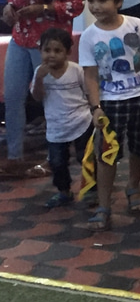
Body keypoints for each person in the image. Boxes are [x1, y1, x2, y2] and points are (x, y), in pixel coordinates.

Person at [79, 0, 140, 231]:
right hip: (110, 102)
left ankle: (134, 187)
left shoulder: (136, 25)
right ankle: (104, 205)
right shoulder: (89, 36)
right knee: (107, 154)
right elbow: (90, 75)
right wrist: (96, 107)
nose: (96, 6)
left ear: (119, 1)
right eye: (91, 0)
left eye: (102, 0)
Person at [1, 0, 84, 172]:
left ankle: (55, 155)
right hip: (20, 38)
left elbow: (77, 4)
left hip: (49, 44)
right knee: (13, 96)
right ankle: (15, 156)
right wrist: (9, 8)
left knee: (51, 97)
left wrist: (45, 8)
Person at [30, 28, 93, 209]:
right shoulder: (40, 72)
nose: (52, 55)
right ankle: (64, 191)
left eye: (57, 51)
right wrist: (39, 79)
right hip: (56, 126)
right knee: (57, 162)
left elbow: (88, 92)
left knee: (85, 158)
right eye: (47, 50)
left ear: (68, 52)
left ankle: (92, 189)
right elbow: (37, 97)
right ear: (40, 51)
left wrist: (96, 111)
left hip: (81, 121)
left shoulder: (76, 70)